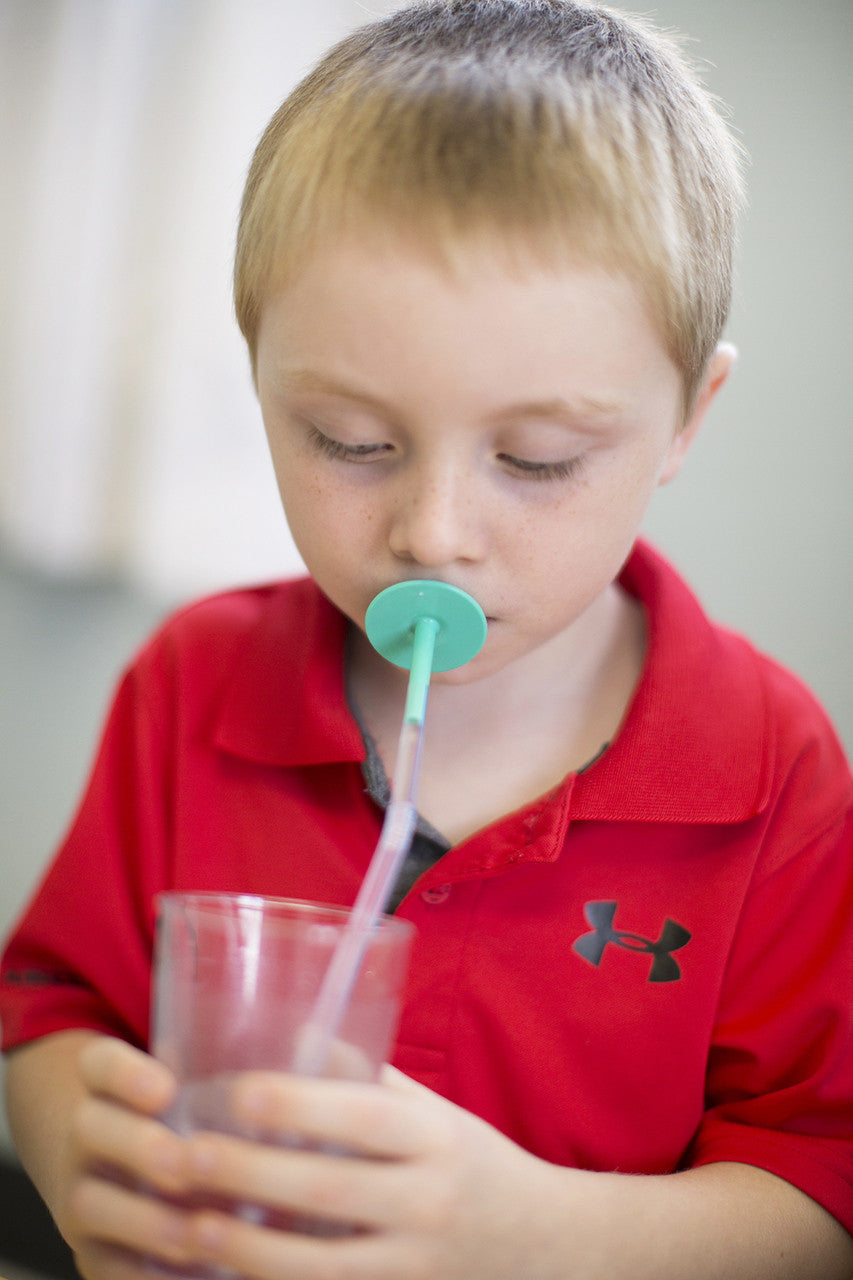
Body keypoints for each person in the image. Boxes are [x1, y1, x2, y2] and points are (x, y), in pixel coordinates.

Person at [2, 1, 852, 1276]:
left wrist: (527, 1232)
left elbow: (820, 1195)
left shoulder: (771, 768)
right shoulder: (193, 687)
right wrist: (80, 1149)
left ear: (686, 417)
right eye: (349, 439)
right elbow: (52, 1006)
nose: (433, 533)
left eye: (537, 458)